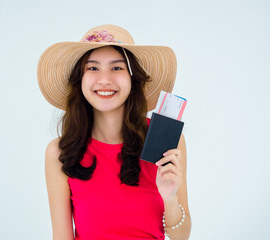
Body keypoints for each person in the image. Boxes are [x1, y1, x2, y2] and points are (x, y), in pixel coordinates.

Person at [38, 24, 191, 240]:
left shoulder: (164, 141)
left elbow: (181, 236)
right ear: (79, 80)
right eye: (92, 68)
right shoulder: (59, 152)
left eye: (117, 68)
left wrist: (170, 197)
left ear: (132, 78)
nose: (104, 79)